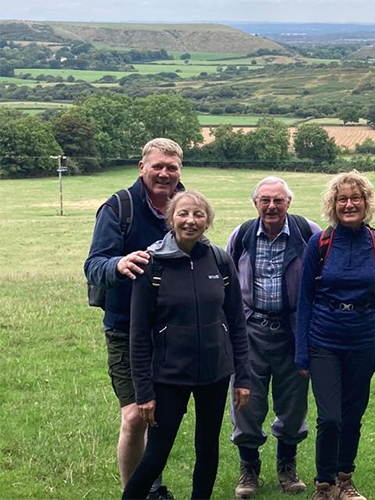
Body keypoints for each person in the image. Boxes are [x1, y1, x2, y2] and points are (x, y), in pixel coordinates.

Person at [122, 190, 251, 499]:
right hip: (168, 376)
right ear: (171, 219)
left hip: (215, 374)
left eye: (198, 215)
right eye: (183, 214)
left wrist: (242, 377)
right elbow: (138, 335)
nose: (190, 221)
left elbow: (236, 322)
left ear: (207, 221)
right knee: (156, 455)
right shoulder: (152, 265)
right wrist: (144, 392)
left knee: (207, 450)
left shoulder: (220, 261)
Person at [84, 138, 187, 500]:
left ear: (179, 172)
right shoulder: (118, 207)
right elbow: (93, 264)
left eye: (171, 167)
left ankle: (152, 487)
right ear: (142, 168)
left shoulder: (186, 208)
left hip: (173, 330)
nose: (164, 173)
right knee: (134, 416)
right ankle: (135, 493)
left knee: (159, 415)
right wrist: (118, 263)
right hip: (126, 330)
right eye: (157, 166)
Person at [295, 170, 375, 500]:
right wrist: (301, 351)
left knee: (352, 417)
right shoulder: (320, 242)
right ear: (333, 204)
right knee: (330, 417)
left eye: (355, 198)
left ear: (366, 203)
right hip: (324, 339)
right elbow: (305, 298)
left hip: (363, 340)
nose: (349, 204)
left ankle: (345, 480)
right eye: (342, 199)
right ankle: (324, 484)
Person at [227, 176, 320, 499]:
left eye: (278, 200)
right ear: (255, 204)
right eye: (265, 200)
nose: (271, 206)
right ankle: (249, 469)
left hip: (294, 331)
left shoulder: (309, 232)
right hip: (250, 330)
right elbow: (226, 285)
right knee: (246, 403)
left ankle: (286, 467)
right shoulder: (240, 236)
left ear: (288, 203)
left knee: (293, 403)